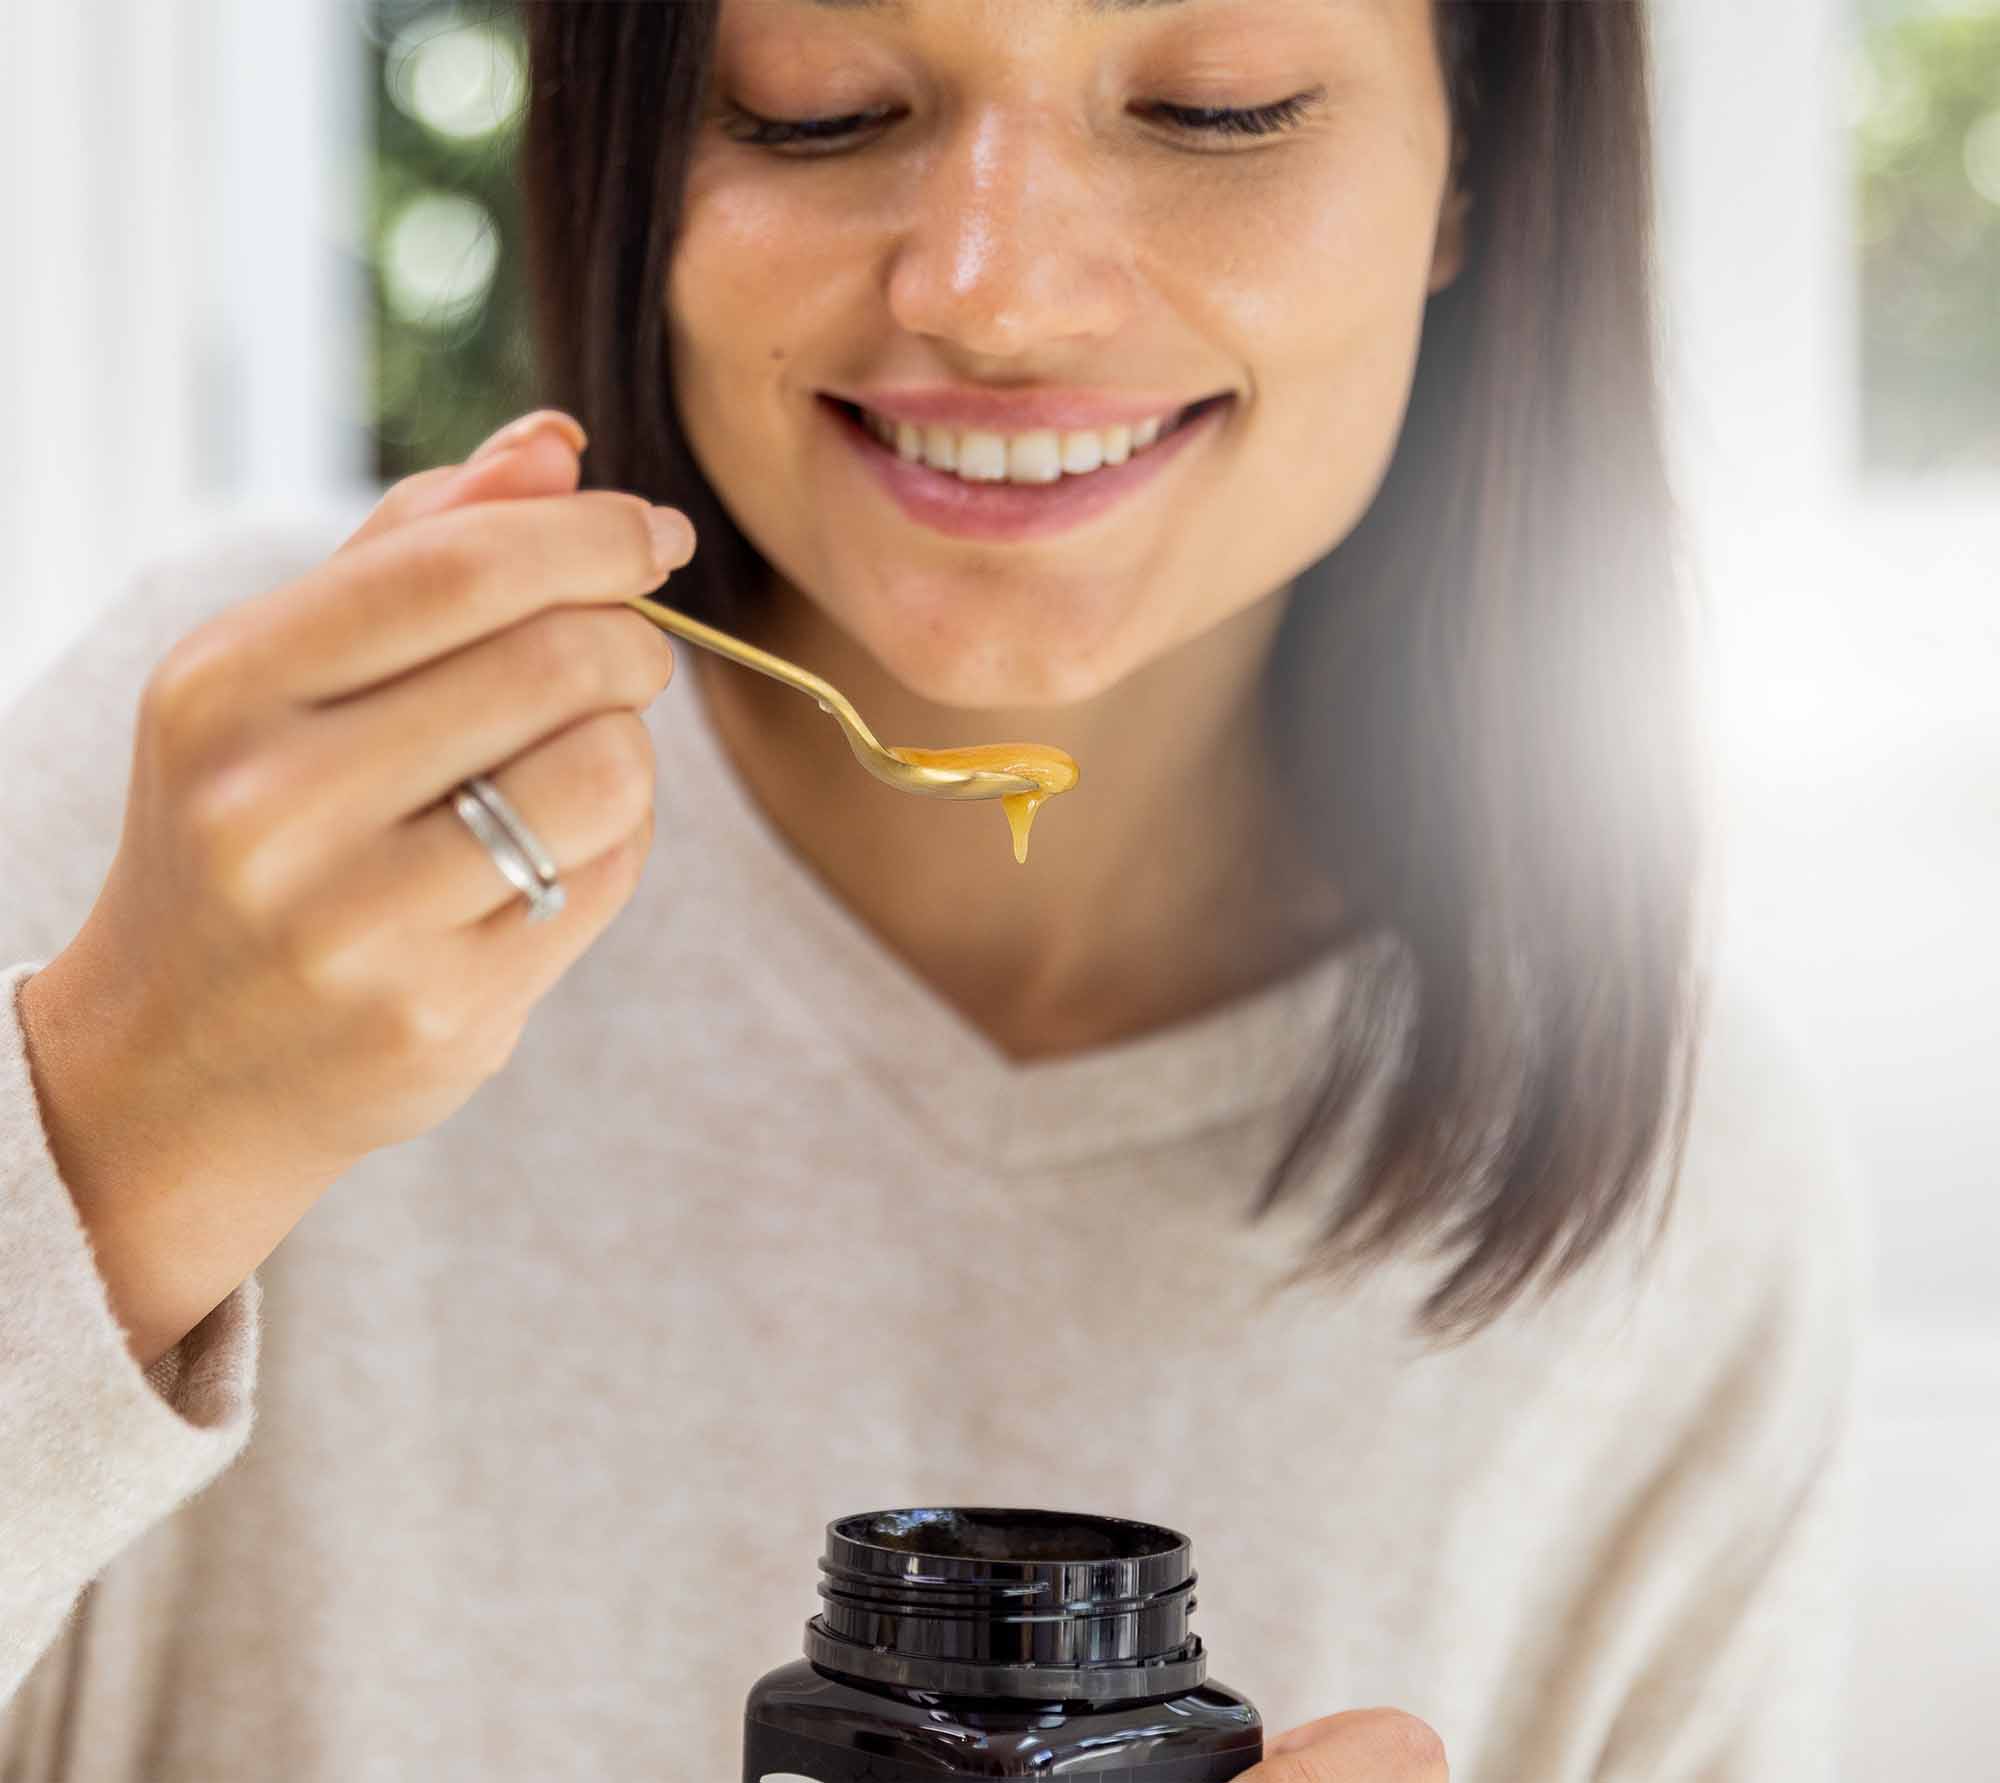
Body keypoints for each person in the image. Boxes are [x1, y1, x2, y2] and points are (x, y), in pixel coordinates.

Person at [0, 2, 1863, 1778]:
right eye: (815, 102)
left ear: (1481, 160)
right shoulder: (220, 810)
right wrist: (137, 1105)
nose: (992, 285)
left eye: (1215, 104)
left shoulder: (1690, 1212)